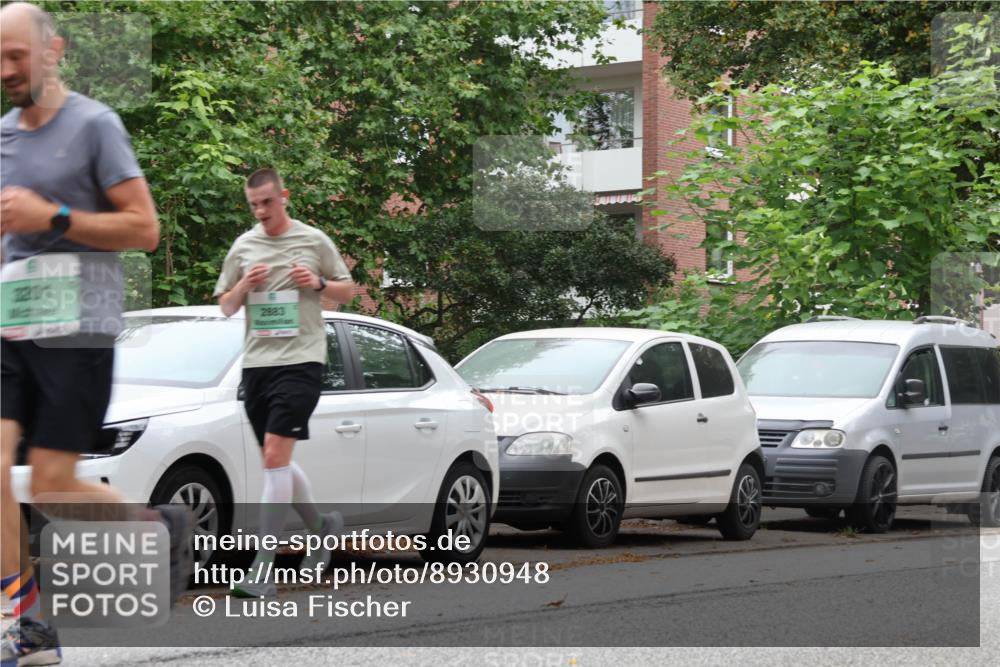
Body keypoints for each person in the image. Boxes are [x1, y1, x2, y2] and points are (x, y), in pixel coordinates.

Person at [0, 5, 192, 665]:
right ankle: (19, 622)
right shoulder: (1, 137)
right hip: (10, 326)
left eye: (16, 55)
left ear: (52, 51)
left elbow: (144, 229)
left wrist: (50, 214)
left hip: (77, 328)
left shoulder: (95, 126)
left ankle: (152, 527)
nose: (5, 70)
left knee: (52, 484)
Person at [215, 168, 354, 597]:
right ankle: (321, 528)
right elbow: (224, 306)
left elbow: (348, 289)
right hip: (257, 364)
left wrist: (317, 283)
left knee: (275, 455)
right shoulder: (244, 245)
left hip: (302, 361)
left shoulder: (313, 241)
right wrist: (243, 285)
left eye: (267, 203)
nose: (260, 212)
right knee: (276, 462)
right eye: (253, 205)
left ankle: (262, 568)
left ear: (284, 197)